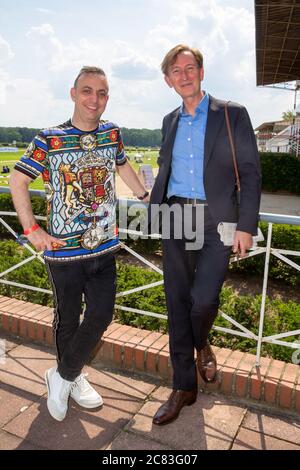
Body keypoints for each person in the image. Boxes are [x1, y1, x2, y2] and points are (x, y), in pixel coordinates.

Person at [10, 66, 149, 422]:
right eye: (87, 91)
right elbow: (17, 179)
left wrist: (143, 192)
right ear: (73, 94)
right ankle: (72, 375)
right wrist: (31, 230)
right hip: (62, 250)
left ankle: (63, 375)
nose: (95, 99)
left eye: (102, 93)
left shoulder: (112, 133)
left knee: (101, 316)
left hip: (104, 247)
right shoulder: (49, 139)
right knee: (68, 319)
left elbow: (122, 165)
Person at [149, 45, 261, 425]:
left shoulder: (232, 114)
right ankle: (184, 387)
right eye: (176, 71)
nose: (184, 75)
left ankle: (201, 343)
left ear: (201, 71)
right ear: (168, 81)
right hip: (176, 216)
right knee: (176, 302)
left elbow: (250, 172)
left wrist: (246, 225)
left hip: (219, 220)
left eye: (190, 67)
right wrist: (154, 208)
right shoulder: (169, 121)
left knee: (202, 300)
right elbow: (165, 169)